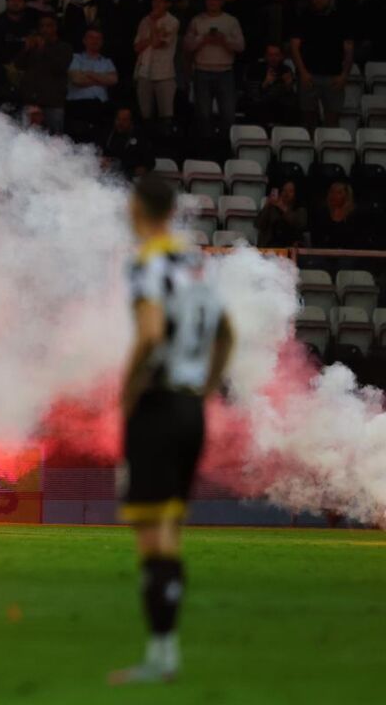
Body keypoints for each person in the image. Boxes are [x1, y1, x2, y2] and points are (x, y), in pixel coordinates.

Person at [111, 176, 234, 685]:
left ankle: (161, 657)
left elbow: (151, 333)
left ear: (137, 208)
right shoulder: (195, 265)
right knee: (172, 531)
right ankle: (165, 652)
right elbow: (226, 334)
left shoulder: (149, 262)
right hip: (190, 410)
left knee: (151, 535)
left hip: (158, 406)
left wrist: (126, 390)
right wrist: (205, 388)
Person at [183, 0, 245, 142]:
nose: (212, 3)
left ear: (222, 2)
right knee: (203, 114)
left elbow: (241, 46)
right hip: (202, 71)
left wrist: (224, 40)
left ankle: (225, 146)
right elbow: (187, 45)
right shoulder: (197, 20)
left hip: (225, 72)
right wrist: (202, 39)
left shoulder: (231, 21)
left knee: (228, 113)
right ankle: (206, 147)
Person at [291, 0, 353, 129]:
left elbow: (349, 49)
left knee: (332, 121)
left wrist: (344, 75)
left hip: (333, 76)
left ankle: (328, 150)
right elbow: (295, 47)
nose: (318, 1)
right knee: (308, 121)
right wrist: (303, 73)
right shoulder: (304, 16)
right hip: (309, 76)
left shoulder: (340, 17)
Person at [16, 14, 73, 133]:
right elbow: (19, 65)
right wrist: (26, 49)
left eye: (48, 26)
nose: (44, 29)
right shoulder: (33, 47)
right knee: (27, 140)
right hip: (31, 102)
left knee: (54, 141)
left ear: (55, 28)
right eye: (42, 26)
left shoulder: (64, 47)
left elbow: (60, 67)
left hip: (53, 103)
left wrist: (44, 49)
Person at [132, 0, 178, 130]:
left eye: (160, 1)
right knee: (145, 116)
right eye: (154, 0)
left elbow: (158, 43)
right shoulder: (144, 20)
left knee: (166, 116)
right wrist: (152, 36)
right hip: (143, 71)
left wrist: (153, 24)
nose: (156, 4)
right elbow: (137, 47)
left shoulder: (172, 21)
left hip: (164, 74)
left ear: (168, 4)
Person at [66, 28, 117, 144]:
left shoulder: (106, 61)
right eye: (91, 37)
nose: (95, 41)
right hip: (78, 107)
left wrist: (90, 74)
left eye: (98, 38)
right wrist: (102, 79)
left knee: (99, 141)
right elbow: (77, 79)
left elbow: (113, 80)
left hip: (101, 108)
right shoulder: (75, 58)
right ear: (84, 40)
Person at [245, 43, 299, 127]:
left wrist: (288, 86)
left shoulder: (285, 70)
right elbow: (254, 98)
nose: (273, 58)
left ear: (282, 56)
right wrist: (265, 83)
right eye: (270, 55)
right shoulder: (255, 69)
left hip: (280, 111)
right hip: (259, 111)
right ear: (265, 56)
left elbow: (290, 99)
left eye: (277, 55)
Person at [102, 106, 155, 178]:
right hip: (111, 175)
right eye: (118, 119)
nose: (120, 123)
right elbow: (103, 154)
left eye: (124, 120)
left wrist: (141, 169)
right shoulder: (109, 134)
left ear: (131, 121)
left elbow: (149, 163)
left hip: (133, 177)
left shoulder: (140, 137)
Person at [309, 181, 366, 249]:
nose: (334, 195)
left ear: (346, 195)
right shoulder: (322, 212)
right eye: (332, 192)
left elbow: (358, 239)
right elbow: (317, 237)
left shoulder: (355, 214)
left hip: (349, 253)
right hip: (325, 253)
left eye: (339, 193)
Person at [256, 179, 308, 247]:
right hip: (270, 247)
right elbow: (259, 224)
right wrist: (267, 205)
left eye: (290, 191)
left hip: (291, 248)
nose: (286, 194)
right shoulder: (272, 209)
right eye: (284, 190)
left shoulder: (300, 210)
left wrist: (283, 208)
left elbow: (300, 224)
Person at [0, 0, 36, 67]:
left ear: (24, 3)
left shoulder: (32, 24)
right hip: (4, 66)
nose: (15, 3)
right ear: (6, 2)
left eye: (19, 0)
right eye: (12, 0)